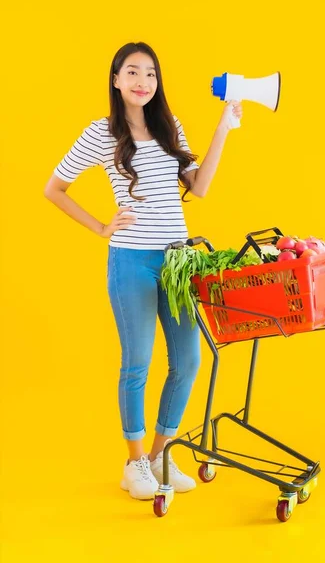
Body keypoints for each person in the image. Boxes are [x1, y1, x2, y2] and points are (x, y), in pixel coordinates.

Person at [44, 41, 242, 501]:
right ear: (116, 80)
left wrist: (223, 129)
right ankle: (134, 464)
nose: (142, 81)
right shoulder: (101, 132)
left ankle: (159, 455)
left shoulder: (169, 126)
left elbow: (202, 187)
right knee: (137, 364)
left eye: (150, 73)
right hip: (131, 259)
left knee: (188, 361)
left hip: (177, 261)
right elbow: (54, 188)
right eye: (132, 72)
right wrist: (100, 226)